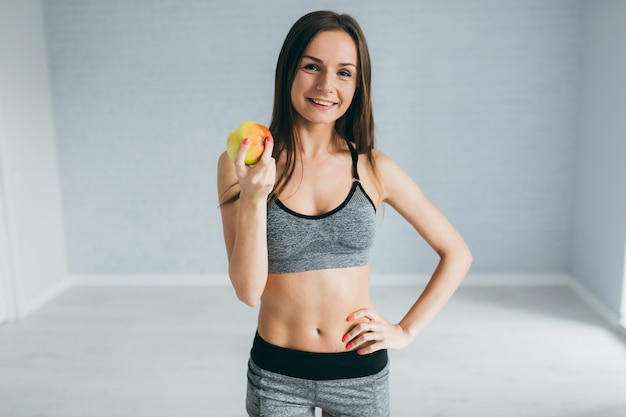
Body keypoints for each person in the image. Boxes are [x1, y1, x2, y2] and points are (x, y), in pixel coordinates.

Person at [217, 10, 472, 417]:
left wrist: (404, 331)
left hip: (359, 372)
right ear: (288, 70)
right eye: (312, 67)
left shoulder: (373, 167)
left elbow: (457, 253)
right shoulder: (244, 163)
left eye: (344, 73)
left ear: (358, 84)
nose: (325, 86)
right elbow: (248, 292)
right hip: (278, 375)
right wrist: (252, 197)